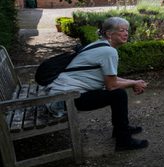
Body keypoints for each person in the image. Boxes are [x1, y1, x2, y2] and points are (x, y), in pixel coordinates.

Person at [48, 17, 149, 151]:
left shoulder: (99, 45)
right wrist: (133, 84)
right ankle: (123, 140)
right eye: (121, 30)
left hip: (61, 95)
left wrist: (134, 82)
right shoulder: (108, 51)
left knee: (117, 94)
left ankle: (120, 130)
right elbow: (111, 85)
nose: (126, 33)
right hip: (64, 100)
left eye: (127, 30)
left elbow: (110, 78)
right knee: (118, 95)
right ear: (109, 34)